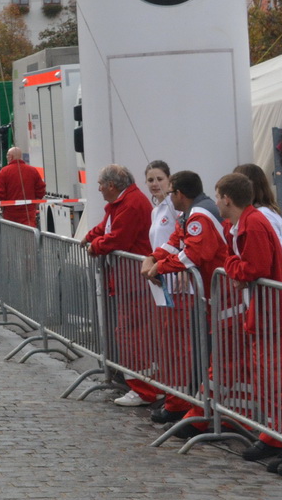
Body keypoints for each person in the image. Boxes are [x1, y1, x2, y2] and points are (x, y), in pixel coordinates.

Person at [210, 172, 282, 475]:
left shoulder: (255, 223)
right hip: (266, 312)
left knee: (277, 381)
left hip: (272, 313)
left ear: (227, 199)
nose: (216, 201)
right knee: (269, 380)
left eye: (218, 196)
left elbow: (251, 269)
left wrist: (229, 263)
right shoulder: (246, 223)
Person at [141, 170, 225, 426]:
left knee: (218, 357)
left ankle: (207, 414)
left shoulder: (199, 214)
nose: (168, 197)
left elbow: (193, 253)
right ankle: (198, 410)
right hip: (213, 294)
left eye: (170, 192)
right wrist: (154, 257)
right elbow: (176, 242)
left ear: (180, 194)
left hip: (221, 294)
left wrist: (160, 267)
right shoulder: (190, 213)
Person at [82, 164, 154, 407]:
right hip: (127, 279)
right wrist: (92, 236)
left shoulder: (131, 204)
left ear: (112, 185)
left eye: (101, 185)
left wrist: (96, 245)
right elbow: (107, 227)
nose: (99, 189)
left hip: (133, 280)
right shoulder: (123, 202)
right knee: (129, 333)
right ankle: (140, 385)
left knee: (132, 334)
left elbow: (118, 237)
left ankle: (143, 389)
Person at [113, 160, 179, 407]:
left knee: (172, 340)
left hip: (173, 281)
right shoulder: (156, 209)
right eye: (150, 180)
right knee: (161, 338)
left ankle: (171, 395)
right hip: (158, 280)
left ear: (169, 180)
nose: (154, 184)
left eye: (159, 179)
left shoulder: (174, 208)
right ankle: (161, 388)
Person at [0, 147, 45, 227]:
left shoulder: (4, 172)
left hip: (10, 214)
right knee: (29, 235)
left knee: (12, 236)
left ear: (11, 157)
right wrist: (35, 204)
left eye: (7, 156)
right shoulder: (32, 171)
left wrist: (2, 205)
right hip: (28, 213)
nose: (7, 158)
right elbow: (41, 189)